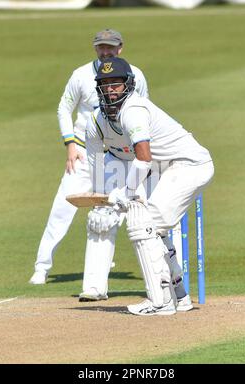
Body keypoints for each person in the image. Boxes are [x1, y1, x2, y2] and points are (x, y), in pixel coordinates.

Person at [85, 57, 214, 315]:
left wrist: (127, 192)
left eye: (116, 84)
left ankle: (161, 302)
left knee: (144, 224)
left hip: (189, 164)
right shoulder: (96, 120)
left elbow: (143, 158)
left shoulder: (134, 110)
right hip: (161, 168)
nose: (110, 89)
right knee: (155, 228)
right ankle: (179, 295)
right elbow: (96, 162)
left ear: (128, 85)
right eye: (105, 84)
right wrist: (102, 201)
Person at [29, 30, 149, 301]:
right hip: (84, 153)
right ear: (95, 49)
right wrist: (69, 143)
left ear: (120, 48)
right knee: (62, 207)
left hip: (120, 156)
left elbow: (144, 108)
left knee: (121, 210)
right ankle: (42, 266)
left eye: (110, 47)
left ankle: (145, 270)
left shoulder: (135, 75)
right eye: (100, 47)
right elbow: (64, 108)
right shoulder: (81, 75)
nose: (105, 51)